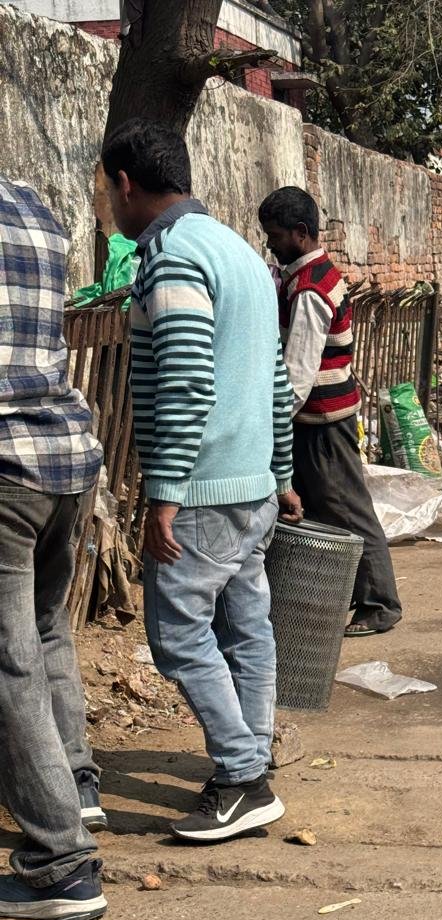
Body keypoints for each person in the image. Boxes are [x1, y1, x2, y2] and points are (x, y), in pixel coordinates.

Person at [102, 119, 300, 842]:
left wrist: (163, 494)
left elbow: (185, 384)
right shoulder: (242, 254)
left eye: (108, 189)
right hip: (252, 486)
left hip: (204, 491)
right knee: (247, 627)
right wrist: (282, 472)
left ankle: (244, 777)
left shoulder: (173, 257)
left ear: (126, 183)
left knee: (178, 636)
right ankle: (253, 754)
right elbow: (275, 381)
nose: (109, 204)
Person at [0, 179, 108, 920]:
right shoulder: (33, 205)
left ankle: (60, 865)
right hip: (65, 456)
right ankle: (76, 786)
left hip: (6, 463)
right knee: (44, 630)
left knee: (9, 662)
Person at [258, 187, 403, 637]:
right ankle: (339, 596)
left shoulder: (309, 289)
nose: (271, 245)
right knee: (321, 510)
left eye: (275, 236)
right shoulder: (311, 275)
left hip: (322, 419)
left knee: (345, 509)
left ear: (301, 233)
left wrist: (274, 421)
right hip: (323, 415)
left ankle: (380, 603)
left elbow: (297, 374)